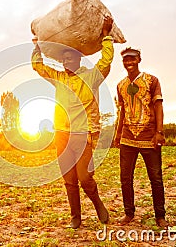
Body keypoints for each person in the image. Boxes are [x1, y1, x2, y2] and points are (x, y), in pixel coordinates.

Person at [31, 16, 114, 229]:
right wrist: (37, 46)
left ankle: (97, 204)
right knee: (69, 180)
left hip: (84, 134)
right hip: (61, 135)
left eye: (70, 59)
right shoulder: (59, 78)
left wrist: (106, 35)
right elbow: (38, 67)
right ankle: (75, 217)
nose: (66, 62)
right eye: (64, 60)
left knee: (84, 177)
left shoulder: (91, 77)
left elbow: (106, 61)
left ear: (78, 59)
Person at [113, 47, 168, 229]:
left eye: (132, 59)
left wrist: (159, 131)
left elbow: (158, 106)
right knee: (125, 178)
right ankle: (129, 213)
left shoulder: (152, 80)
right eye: (126, 60)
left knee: (156, 178)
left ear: (139, 59)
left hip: (149, 137)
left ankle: (160, 216)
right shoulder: (120, 85)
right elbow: (122, 111)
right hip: (128, 138)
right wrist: (118, 133)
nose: (129, 63)